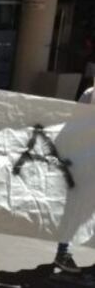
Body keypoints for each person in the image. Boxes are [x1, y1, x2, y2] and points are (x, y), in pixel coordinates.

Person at [52, 85, 94, 273]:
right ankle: (62, 252)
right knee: (75, 208)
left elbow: (73, 125)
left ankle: (62, 252)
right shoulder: (91, 93)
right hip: (85, 161)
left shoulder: (90, 93)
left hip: (83, 160)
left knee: (75, 208)